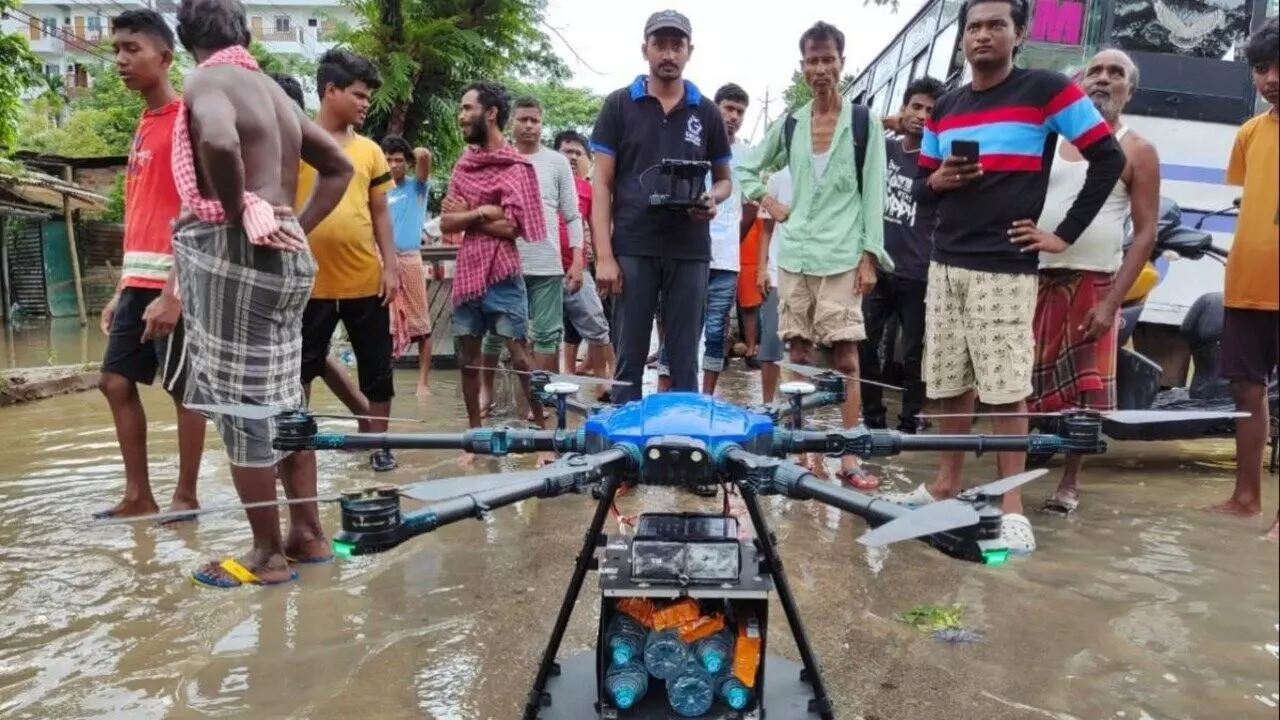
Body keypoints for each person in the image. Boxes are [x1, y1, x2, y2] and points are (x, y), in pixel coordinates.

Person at [888, 0, 1126, 554]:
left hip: (1007, 264)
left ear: (1019, 34)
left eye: (997, 25)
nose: (983, 35)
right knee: (947, 382)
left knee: (1005, 388)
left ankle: (1010, 502)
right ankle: (947, 483)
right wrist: (942, 179)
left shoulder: (1046, 90)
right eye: (973, 27)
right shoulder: (944, 107)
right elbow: (922, 188)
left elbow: (1107, 159)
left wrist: (1061, 234)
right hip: (946, 263)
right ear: (962, 38)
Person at [171, 0, 352, 587]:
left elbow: (220, 144)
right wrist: (291, 221)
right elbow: (338, 166)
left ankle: (267, 554)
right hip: (287, 260)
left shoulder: (207, 78)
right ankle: (309, 534)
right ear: (245, 31)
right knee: (285, 400)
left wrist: (238, 211)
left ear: (184, 35)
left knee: (242, 407)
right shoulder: (273, 92)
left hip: (237, 258)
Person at [737, 21, 891, 489]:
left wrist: (870, 257)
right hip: (796, 253)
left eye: (829, 59)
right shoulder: (792, 122)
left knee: (846, 357)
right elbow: (747, 166)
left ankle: (849, 453)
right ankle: (803, 449)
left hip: (843, 254)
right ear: (802, 66)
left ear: (843, 63)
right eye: (813, 60)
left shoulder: (864, 123)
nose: (821, 69)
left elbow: (873, 195)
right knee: (798, 352)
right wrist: (769, 201)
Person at [1030, 49, 1160, 514]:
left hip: (1095, 284)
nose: (1103, 80)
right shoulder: (1049, 137)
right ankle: (1015, 476)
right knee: (1018, 386)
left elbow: (1145, 233)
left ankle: (1069, 484)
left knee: (1086, 396)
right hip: (1035, 278)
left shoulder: (1136, 149)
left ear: (1130, 89)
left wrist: (1112, 306)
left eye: (1116, 73)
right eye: (1095, 71)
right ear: (1079, 84)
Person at [93, 9, 206, 522]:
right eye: (117, 48)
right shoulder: (143, 123)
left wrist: (174, 292)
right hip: (138, 281)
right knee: (114, 381)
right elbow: (141, 215)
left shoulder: (187, 120)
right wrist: (122, 289)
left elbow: (194, 209)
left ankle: (186, 497)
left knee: (184, 389)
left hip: (176, 281)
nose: (120, 59)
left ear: (164, 58)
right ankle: (139, 495)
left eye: (131, 49)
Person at [590, 10, 734, 402]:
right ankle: (624, 453)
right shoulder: (619, 105)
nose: (668, 53)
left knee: (686, 359)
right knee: (629, 359)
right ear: (645, 49)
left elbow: (724, 181)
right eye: (660, 44)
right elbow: (601, 184)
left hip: (689, 250)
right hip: (633, 247)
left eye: (677, 45)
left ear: (689, 51)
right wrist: (604, 255)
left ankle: (685, 448)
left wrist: (711, 198)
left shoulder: (705, 111)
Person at [295, 49, 401, 473]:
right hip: (309, 281)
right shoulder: (297, 140)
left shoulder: (371, 151)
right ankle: (296, 442)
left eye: (368, 96)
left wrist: (391, 266)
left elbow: (380, 212)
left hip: (364, 278)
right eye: (358, 94)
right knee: (300, 367)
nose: (365, 103)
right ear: (330, 90)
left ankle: (378, 445)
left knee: (377, 367)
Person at [440, 82, 548, 466]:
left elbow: (514, 228)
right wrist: (484, 212)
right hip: (469, 274)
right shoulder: (463, 164)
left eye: (467, 108)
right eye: (461, 108)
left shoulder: (518, 168)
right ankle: (474, 438)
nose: (461, 115)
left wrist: (473, 214)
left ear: (490, 113)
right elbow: (447, 221)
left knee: (520, 357)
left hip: (503, 273)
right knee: (467, 359)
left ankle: (544, 437)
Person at [1208, 17, 1278, 541]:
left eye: (1279, 66)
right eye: (1260, 68)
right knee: (1244, 391)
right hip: (1248, 284)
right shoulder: (1250, 133)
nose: (1270, 78)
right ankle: (1247, 497)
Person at [269, 70, 373, 421]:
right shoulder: (269, 147)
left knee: (300, 356)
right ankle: (356, 416)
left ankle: (297, 435)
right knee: (306, 354)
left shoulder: (306, 147)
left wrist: (296, 233)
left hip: (307, 270)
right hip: (292, 269)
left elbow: (343, 177)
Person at [477, 97, 583, 419]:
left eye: (535, 120)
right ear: (511, 123)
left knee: (547, 334)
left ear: (541, 124)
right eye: (523, 119)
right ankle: (485, 392)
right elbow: (479, 212)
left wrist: (577, 260)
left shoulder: (557, 163)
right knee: (495, 331)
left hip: (547, 263)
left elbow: (573, 215)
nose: (529, 125)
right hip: (504, 262)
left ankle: (543, 397)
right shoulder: (497, 159)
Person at [860, 76, 945, 435]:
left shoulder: (939, 162)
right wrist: (888, 123)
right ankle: (872, 420)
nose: (922, 115)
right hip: (876, 267)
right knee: (864, 344)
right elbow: (851, 128)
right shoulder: (884, 150)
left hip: (918, 271)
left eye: (930, 110)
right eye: (916, 107)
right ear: (903, 108)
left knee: (914, 355)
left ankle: (910, 424)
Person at [657, 82, 753, 395]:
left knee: (715, 332)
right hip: (689, 251)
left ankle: (706, 399)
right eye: (729, 108)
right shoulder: (694, 142)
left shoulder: (747, 156)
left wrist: (731, 243)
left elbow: (750, 206)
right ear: (715, 107)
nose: (734, 116)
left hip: (726, 260)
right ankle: (664, 395)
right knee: (679, 329)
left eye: (740, 111)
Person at [555, 130, 615, 389]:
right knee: (543, 334)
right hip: (543, 269)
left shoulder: (589, 190)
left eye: (578, 152)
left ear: (586, 159)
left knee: (598, 327)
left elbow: (598, 227)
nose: (572, 157)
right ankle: (550, 386)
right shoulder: (542, 182)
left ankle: (606, 382)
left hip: (578, 269)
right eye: (566, 151)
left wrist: (603, 263)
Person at [381, 135, 435, 397]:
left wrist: (414, 153)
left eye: (398, 160)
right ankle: (385, 379)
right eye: (388, 159)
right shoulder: (377, 190)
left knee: (422, 326)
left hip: (410, 259)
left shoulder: (417, 187)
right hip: (381, 261)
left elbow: (424, 156)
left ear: (407, 163)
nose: (393, 165)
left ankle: (422, 384)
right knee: (383, 326)